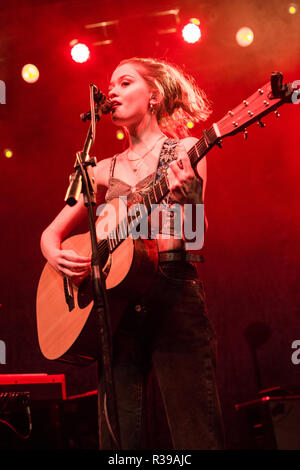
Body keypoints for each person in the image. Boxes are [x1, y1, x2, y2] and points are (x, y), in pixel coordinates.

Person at [40, 57, 224, 450]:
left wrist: (192, 203)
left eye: (125, 83)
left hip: (175, 295)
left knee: (196, 433)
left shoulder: (186, 149)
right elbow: (50, 233)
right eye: (111, 86)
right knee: (119, 441)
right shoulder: (100, 169)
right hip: (119, 307)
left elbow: (194, 238)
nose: (113, 92)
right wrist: (56, 255)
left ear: (154, 95)